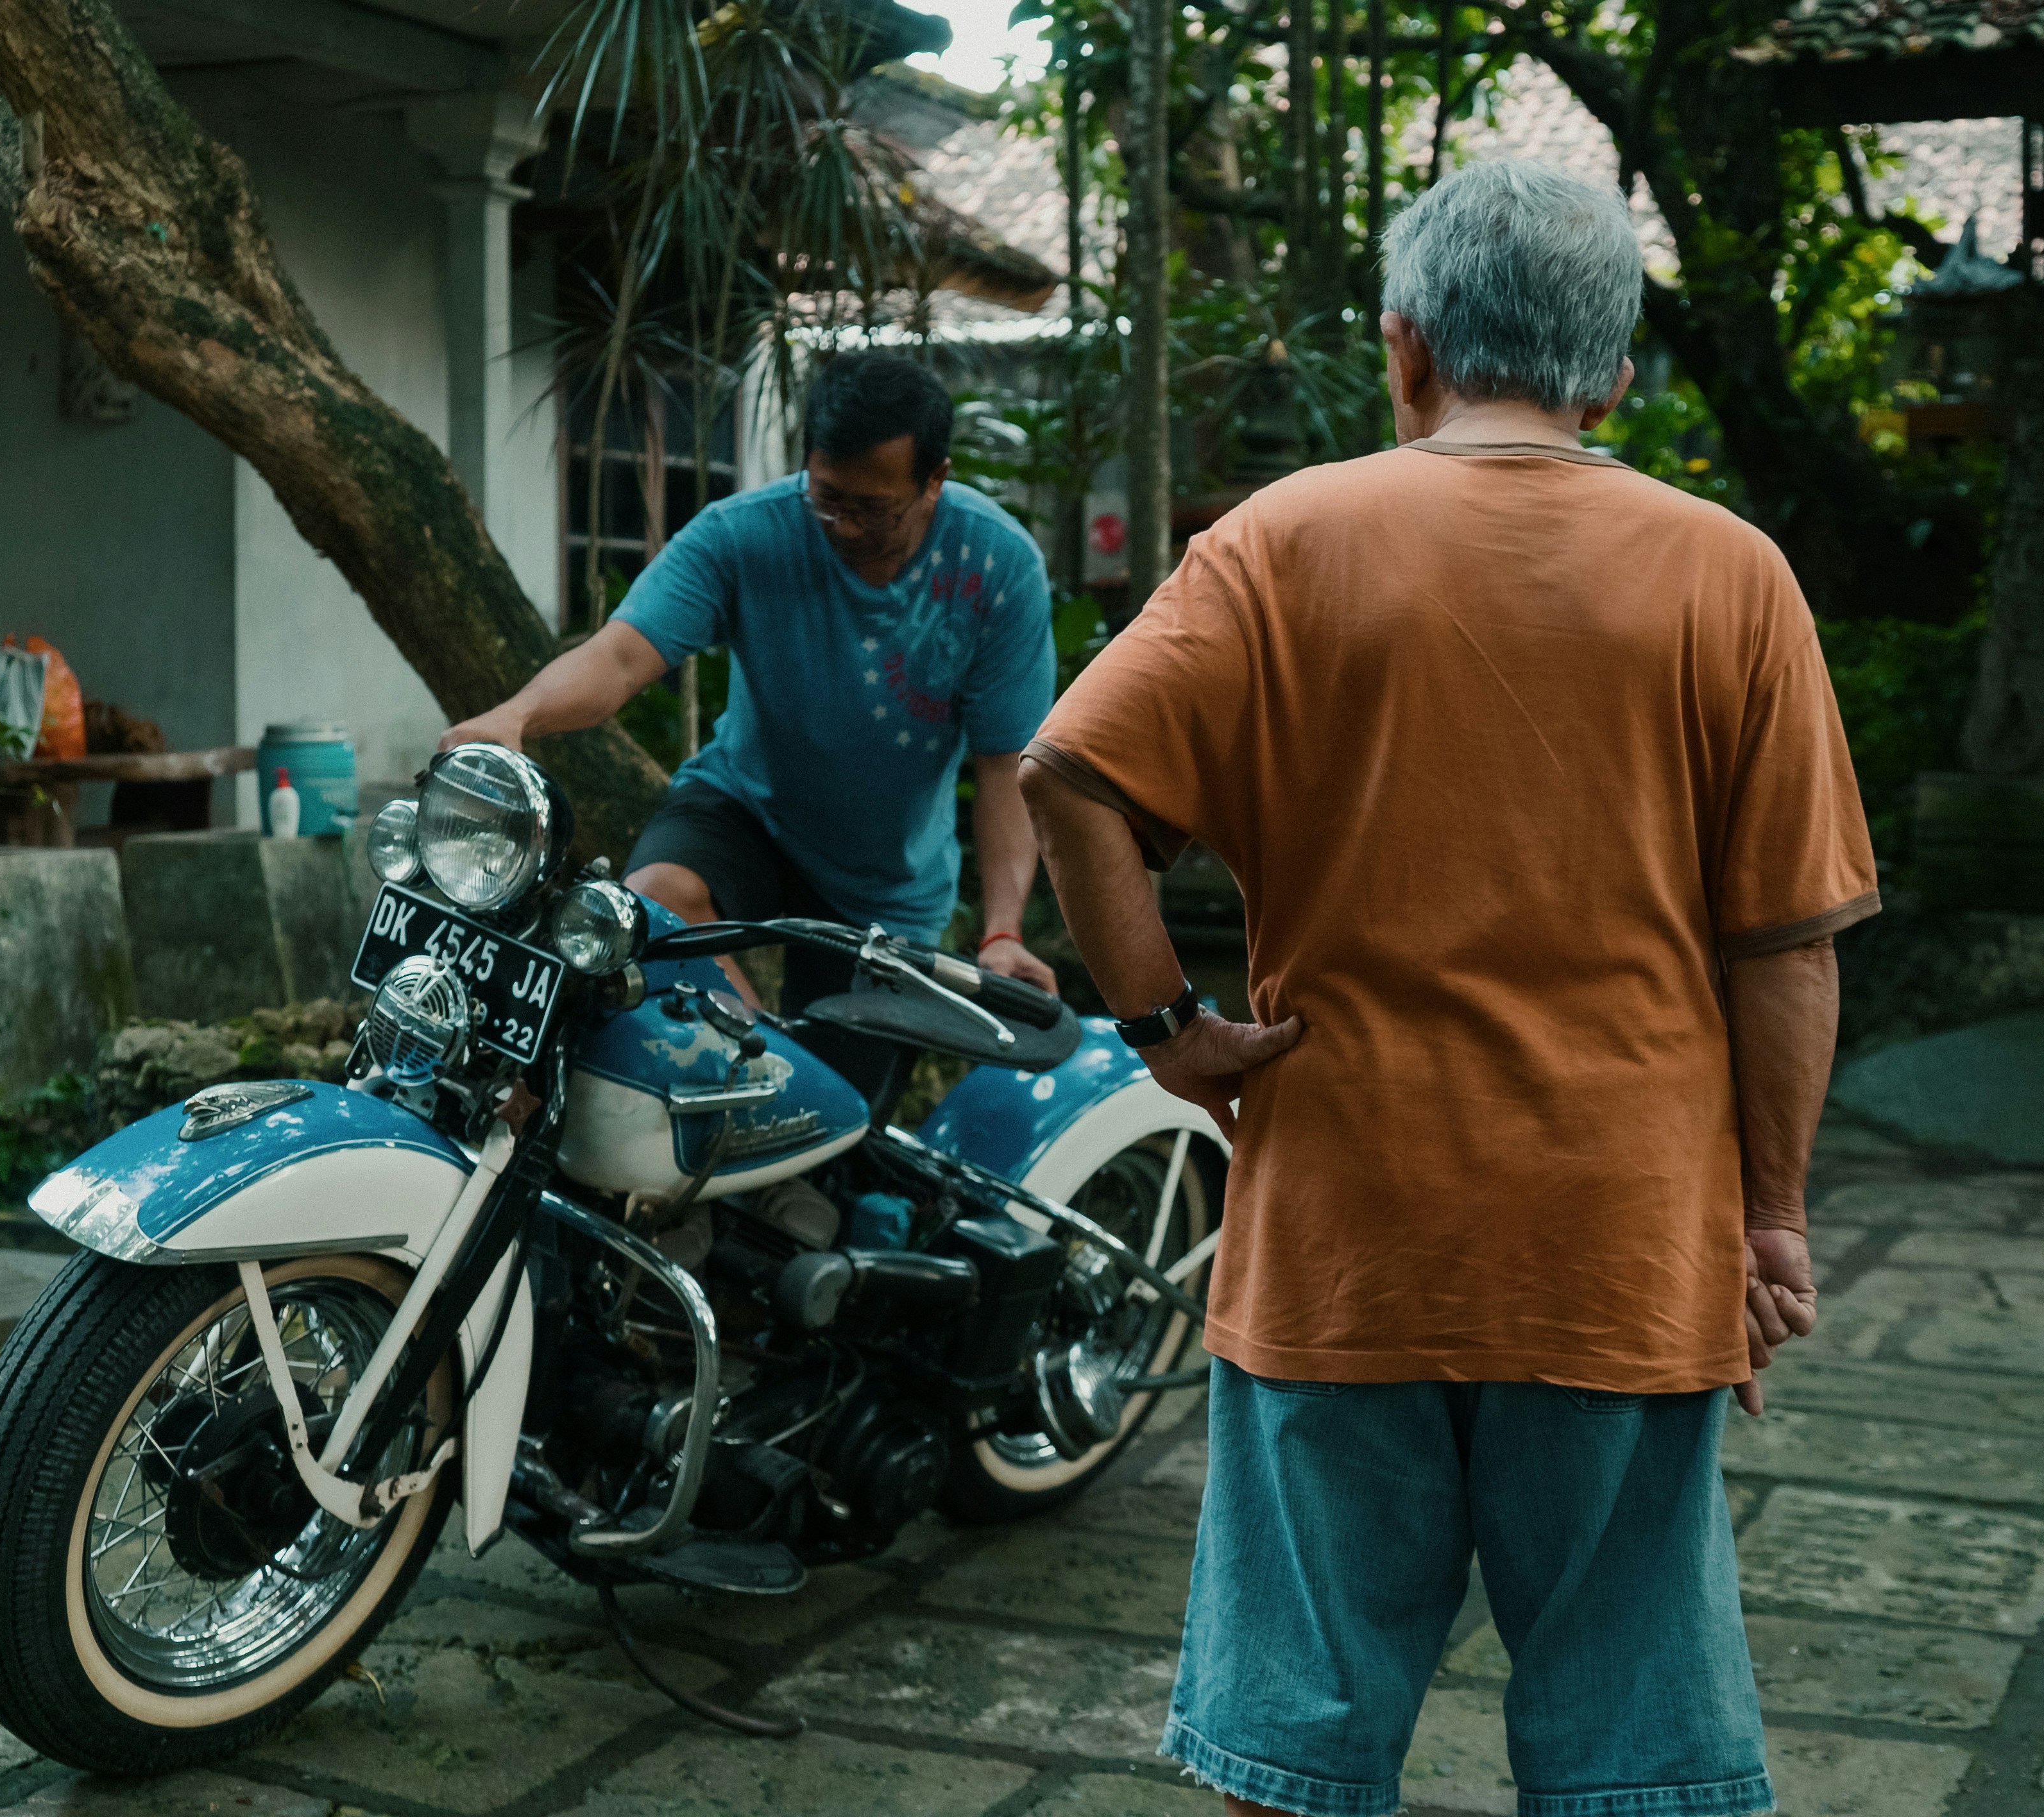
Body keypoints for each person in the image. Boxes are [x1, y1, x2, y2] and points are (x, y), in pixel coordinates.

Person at [1021, 158, 1866, 1817]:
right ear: (1615, 372)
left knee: (1297, 1749)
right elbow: (1786, 947)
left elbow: (1070, 778)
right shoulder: (1728, 576)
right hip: (1618, 1247)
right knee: (1632, 1751)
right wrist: (1768, 1220)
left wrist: (1169, 1034)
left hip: (1346, 1235)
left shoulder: (1284, 543)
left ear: (1404, 352)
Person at [440, 353, 1058, 1014]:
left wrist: (1000, 933)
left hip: (889, 881)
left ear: (935, 480)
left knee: (845, 1098)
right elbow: (619, 658)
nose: (845, 526)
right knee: (653, 907)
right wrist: (518, 716)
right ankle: (757, 1060)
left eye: (872, 509)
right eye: (828, 499)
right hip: (747, 812)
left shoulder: (996, 565)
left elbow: (1004, 767)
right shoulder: (741, 535)